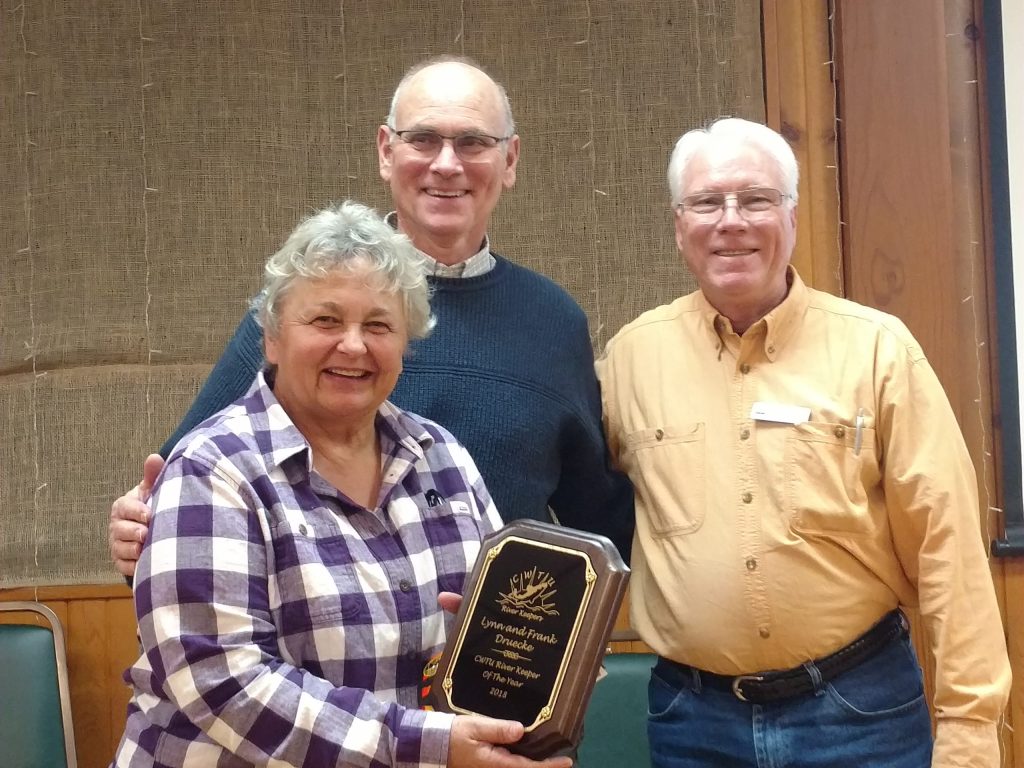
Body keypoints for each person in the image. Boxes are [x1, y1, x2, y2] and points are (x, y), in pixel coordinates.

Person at [109, 56, 633, 575]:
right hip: (318, 637)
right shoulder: (303, 305)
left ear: (510, 160)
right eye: (422, 139)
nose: (447, 164)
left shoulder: (555, 323)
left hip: (491, 649)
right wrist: (136, 527)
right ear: (387, 151)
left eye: (473, 142)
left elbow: (599, 523)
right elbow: (178, 489)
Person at [596, 117, 1011, 768]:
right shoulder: (628, 360)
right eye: (706, 202)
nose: (730, 220)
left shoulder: (878, 350)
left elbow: (948, 546)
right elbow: (588, 509)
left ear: (791, 216)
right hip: (692, 722)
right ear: (680, 226)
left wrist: (969, 729)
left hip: (858, 714)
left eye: (756, 199)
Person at [111, 200, 574, 768]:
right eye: (326, 320)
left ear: (406, 343)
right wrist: (430, 747)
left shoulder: (443, 459)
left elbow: (496, 633)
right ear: (273, 338)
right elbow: (223, 682)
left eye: (379, 324)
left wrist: (549, 671)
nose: (353, 345)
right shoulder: (213, 469)